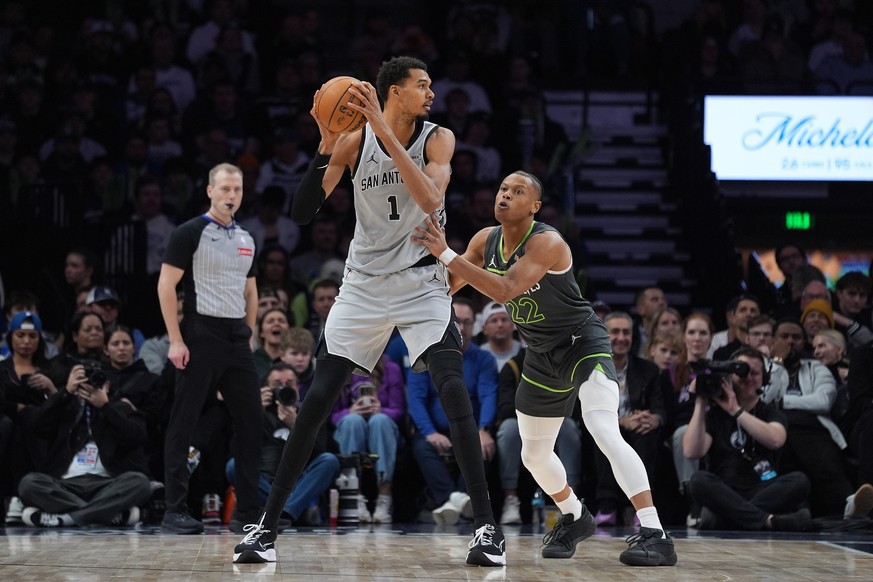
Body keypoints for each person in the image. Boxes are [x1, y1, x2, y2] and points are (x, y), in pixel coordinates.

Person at [232, 56, 506, 567]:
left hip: (423, 281)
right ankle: (266, 530)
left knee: (452, 389)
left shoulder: (438, 138)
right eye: (421, 85)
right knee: (315, 402)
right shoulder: (354, 143)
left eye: (430, 84)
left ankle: (487, 529)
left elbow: (428, 198)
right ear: (394, 91)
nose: (430, 93)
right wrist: (324, 141)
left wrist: (381, 126)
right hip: (363, 286)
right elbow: (301, 211)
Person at [412, 171, 676, 566]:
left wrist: (445, 252)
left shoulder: (548, 242)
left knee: (603, 428)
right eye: (503, 189)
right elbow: (449, 283)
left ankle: (655, 533)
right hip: (540, 352)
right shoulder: (485, 240)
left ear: (534, 206)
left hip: (582, 342)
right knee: (533, 455)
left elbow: (503, 290)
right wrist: (408, 294)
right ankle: (574, 516)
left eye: (517, 192)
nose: (505, 196)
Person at [157, 162, 263, 535]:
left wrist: (249, 333)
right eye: (224, 189)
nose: (231, 195)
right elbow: (166, 286)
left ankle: (247, 513)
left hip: (236, 338)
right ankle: (174, 511)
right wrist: (175, 339)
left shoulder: (247, 238)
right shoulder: (190, 232)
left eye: (237, 189)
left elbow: (251, 291)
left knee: (253, 423)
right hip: (200, 333)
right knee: (183, 422)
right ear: (209, 191)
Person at [683, 347, 813, 531]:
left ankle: (725, 519)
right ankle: (768, 521)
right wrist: (700, 401)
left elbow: (776, 439)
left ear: (764, 379)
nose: (748, 378)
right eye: (741, 372)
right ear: (730, 377)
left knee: (800, 481)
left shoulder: (770, 412)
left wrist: (736, 411)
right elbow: (691, 451)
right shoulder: (715, 415)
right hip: (724, 490)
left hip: (763, 488)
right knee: (698, 481)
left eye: (754, 373)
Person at [407, 298, 498, 526]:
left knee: (484, 445)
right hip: (436, 430)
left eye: (467, 322)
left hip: (472, 427)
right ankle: (455, 499)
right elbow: (415, 399)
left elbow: (488, 395)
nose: (462, 328)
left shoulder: (484, 358)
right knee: (420, 445)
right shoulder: (423, 356)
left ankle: (453, 501)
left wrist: (484, 428)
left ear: (474, 327)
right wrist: (429, 433)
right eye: (457, 321)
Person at [226, 363, 339, 527]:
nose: (283, 389)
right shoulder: (257, 413)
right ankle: (290, 510)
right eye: (277, 385)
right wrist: (253, 412)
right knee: (234, 465)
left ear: (298, 388)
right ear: (266, 389)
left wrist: (297, 426)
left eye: (289, 384)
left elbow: (319, 451)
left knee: (329, 460)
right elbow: (237, 449)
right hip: (266, 482)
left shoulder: (311, 414)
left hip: (300, 485)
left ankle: (282, 511)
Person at [330, 354, 405, 523]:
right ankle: (353, 495)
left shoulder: (391, 368)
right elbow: (332, 416)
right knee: (352, 421)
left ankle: (385, 495)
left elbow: (398, 410)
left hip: (382, 430)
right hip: (350, 428)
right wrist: (350, 412)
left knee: (380, 421)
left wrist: (380, 409)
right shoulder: (340, 368)